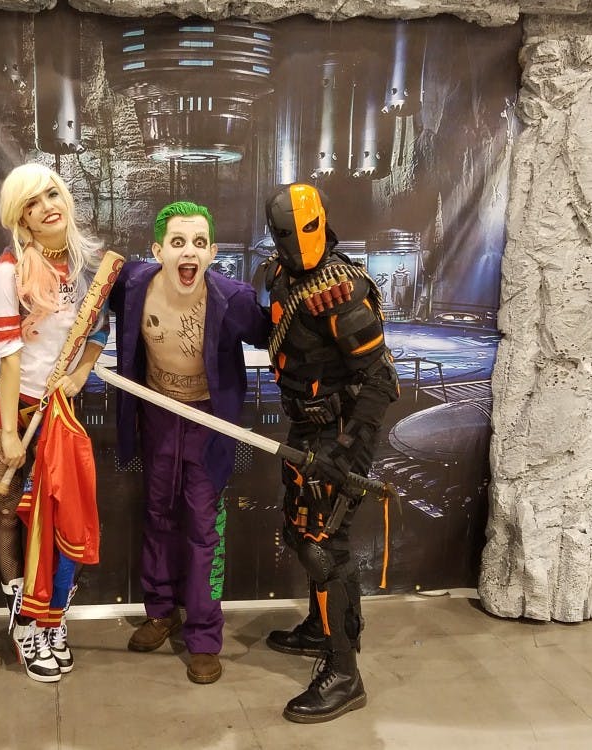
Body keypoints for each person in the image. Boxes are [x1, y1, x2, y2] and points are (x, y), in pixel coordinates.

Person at [110, 201, 270, 684]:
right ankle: (160, 612)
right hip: (156, 414)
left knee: (203, 527)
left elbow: (273, 332)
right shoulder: (132, 284)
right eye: (177, 242)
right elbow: (85, 302)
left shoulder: (232, 298)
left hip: (207, 422)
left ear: (213, 251)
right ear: (157, 249)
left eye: (199, 243)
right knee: (157, 514)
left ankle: (203, 636)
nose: (189, 251)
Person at [261, 183, 399, 723]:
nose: (301, 244)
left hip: (339, 431)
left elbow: (379, 380)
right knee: (301, 530)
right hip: (303, 426)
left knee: (325, 543)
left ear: (323, 221)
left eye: (308, 230)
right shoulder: (279, 277)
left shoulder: (341, 290)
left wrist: (347, 456)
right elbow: (280, 336)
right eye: (289, 235)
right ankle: (323, 629)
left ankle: (345, 673)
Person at [0, 162, 108, 683]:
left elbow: (100, 332)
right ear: (20, 216)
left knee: (56, 518)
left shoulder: (88, 266)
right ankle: (25, 623)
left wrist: (81, 374)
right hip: (5, 407)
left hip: (58, 410)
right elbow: (9, 357)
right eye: (32, 202)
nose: (47, 205)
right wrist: (8, 435)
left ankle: (53, 620)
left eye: (52, 193)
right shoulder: (10, 269)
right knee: (8, 510)